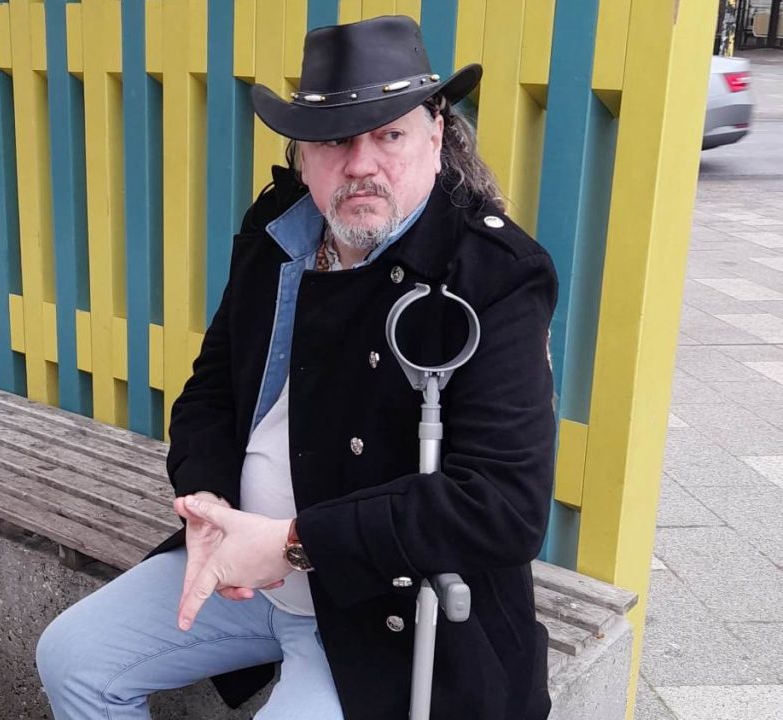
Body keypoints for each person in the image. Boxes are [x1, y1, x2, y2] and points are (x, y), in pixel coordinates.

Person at [37, 15, 558, 720]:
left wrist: (293, 544)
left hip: (388, 606)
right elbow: (210, 394)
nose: (361, 163)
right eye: (336, 139)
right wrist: (209, 504)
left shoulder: (493, 274)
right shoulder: (279, 234)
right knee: (74, 658)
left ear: (435, 135)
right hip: (246, 573)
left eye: (389, 135)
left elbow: (503, 504)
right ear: (303, 154)